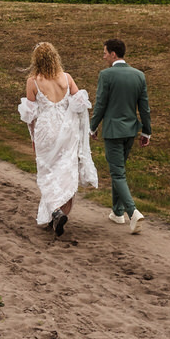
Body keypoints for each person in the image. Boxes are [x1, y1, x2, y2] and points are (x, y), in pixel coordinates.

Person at [17, 41, 99, 237]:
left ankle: (54, 211)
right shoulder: (66, 78)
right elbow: (80, 103)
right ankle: (58, 212)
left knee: (47, 173)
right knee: (65, 171)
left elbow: (30, 116)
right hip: (66, 130)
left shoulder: (33, 81)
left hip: (46, 130)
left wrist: (33, 139)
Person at [88, 37, 152, 234]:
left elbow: (100, 103)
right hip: (131, 131)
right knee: (120, 171)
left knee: (117, 173)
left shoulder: (106, 75)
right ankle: (117, 212)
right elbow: (144, 107)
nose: (104, 55)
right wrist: (146, 131)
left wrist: (92, 126)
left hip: (113, 131)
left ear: (113, 54)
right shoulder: (139, 75)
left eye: (105, 52)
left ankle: (132, 212)